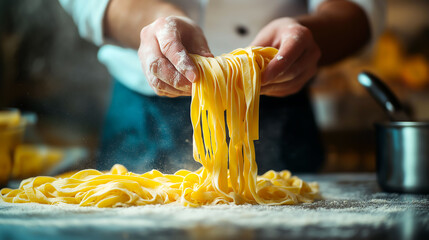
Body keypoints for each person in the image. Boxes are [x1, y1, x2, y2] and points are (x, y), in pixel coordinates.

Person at [59, 0, 385, 173]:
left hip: (280, 94)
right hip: (143, 107)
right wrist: (156, 21)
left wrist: (307, 33)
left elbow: (357, 9)